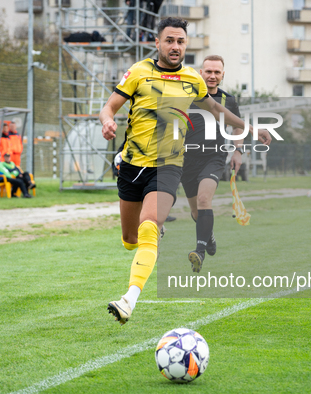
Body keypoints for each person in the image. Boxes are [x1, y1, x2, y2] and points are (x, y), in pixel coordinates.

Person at [100, 17, 272, 325]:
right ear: (158, 42)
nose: (175, 46)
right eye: (169, 40)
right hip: (131, 166)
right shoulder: (139, 72)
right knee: (129, 239)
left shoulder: (193, 79)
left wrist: (251, 128)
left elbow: (218, 111)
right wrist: (107, 121)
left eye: (180, 41)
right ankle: (152, 230)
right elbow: (109, 106)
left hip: (167, 166)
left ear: (185, 45)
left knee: (150, 225)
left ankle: (129, 299)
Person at [181, 55, 245, 272]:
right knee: (196, 212)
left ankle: (198, 251)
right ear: (201, 73)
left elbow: (238, 127)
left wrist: (238, 150)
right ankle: (208, 236)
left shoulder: (229, 100)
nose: (212, 75)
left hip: (214, 157)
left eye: (217, 72)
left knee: (204, 198)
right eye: (208, 71)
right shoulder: (186, 96)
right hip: (187, 160)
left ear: (222, 75)